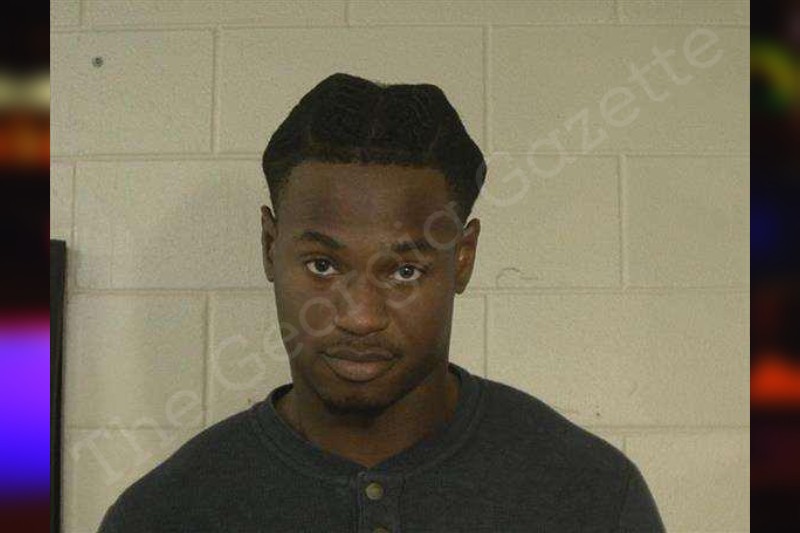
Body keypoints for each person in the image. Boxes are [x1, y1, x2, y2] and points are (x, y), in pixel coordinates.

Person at [98, 72, 665, 532]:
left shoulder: (592, 496)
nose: (360, 316)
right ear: (270, 246)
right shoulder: (163, 514)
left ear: (462, 258)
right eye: (323, 266)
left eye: (404, 271)